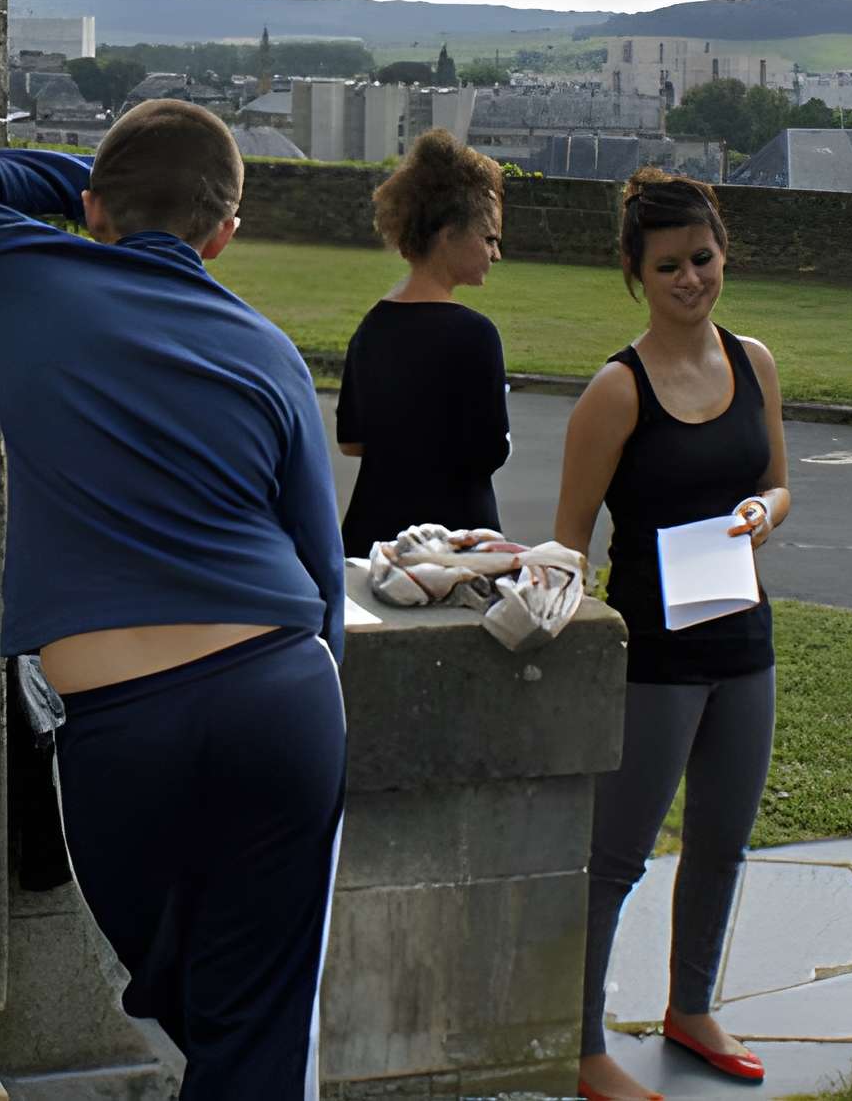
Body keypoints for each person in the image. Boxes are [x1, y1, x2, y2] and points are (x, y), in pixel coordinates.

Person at [0, 101, 348, 1099]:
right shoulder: (268, 347)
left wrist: (92, 185)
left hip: (119, 722)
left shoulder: (28, 274)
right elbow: (322, 576)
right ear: (224, 233)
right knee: (245, 1027)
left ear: (94, 206)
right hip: (278, 693)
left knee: (197, 1009)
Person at [552, 170, 790, 1100]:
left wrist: (763, 513)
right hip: (653, 656)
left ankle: (691, 1009)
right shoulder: (617, 390)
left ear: (723, 252)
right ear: (634, 274)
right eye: (668, 266)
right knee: (615, 858)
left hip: (745, 641)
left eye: (703, 257)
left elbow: (778, 481)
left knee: (722, 842)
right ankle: (581, 1045)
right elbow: (568, 543)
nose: (690, 279)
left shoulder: (754, 360)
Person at [334, 129, 512, 554]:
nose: (496, 253)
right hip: (455, 543)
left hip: (373, 538)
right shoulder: (476, 335)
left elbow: (351, 441)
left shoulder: (371, 327)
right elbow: (489, 452)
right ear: (448, 233)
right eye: (489, 238)